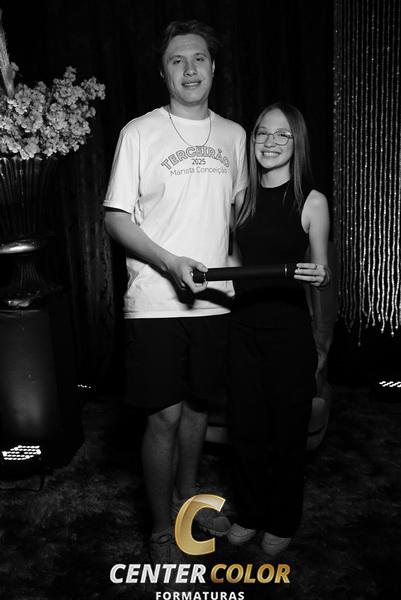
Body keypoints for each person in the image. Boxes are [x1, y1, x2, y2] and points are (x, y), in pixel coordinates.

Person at [103, 20, 247, 569]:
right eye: (177, 60)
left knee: (197, 409)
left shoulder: (234, 136)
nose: (190, 70)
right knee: (163, 417)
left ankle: (188, 502)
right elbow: (116, 217)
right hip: (155, 302)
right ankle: (161, 527)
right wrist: (168, 263)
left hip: (216, 303)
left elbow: (240, 218)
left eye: (199, 59)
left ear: (214, 68)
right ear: (162, 73)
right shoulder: (140, 133)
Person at [226, 102, 330, 556]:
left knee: (287, 435)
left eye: (281, 134)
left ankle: (283, 519)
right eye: (262, 133)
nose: (270, 142)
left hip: (289, 335)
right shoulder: (240, 198)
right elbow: (234, 263)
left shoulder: (312, 201)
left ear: (296, 142)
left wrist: (320, 274)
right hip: (243, 332)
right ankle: (250, 513)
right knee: (246, 432)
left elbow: (321, 268)